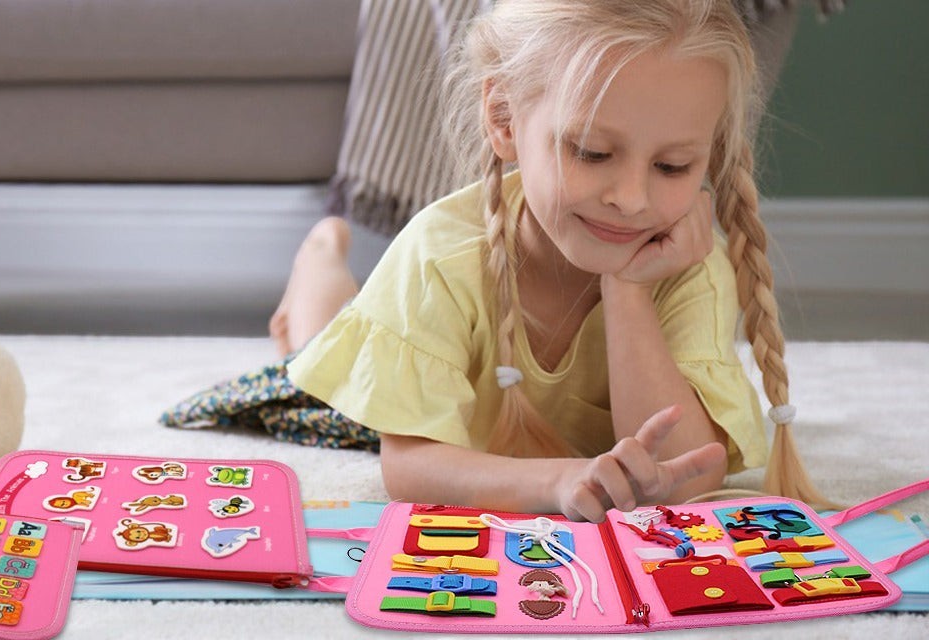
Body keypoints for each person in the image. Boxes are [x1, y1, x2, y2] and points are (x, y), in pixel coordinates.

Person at [162, 0, 830, 521]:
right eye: (593, 153)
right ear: (505, 120)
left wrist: (625, 287)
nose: (632, 199)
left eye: (672, 165)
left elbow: (686, 465)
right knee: (321, 374)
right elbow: (412, 466)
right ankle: (320, 261)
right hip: (449, 402)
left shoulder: (680, 259)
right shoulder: (439, 255)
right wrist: (558, 481)